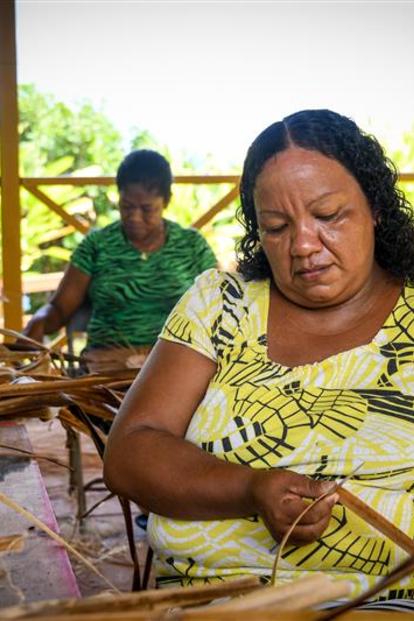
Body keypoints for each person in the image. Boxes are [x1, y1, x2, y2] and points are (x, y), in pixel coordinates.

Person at [103, 110, 414, 603]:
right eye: (276, 226)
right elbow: (130, 452)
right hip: (207, 605)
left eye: (329, 216)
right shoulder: (222, 301)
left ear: (375, 206)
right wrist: (250, 488)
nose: (303, 245)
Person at [23, 149, 217, 372]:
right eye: (126, 207)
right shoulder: (97, 245)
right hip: (104, 365)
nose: (134, 217)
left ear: (166, 201)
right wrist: (39, 320)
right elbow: (59, 308)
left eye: (146, 209)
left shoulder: (192, 246)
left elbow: (218, 308)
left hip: (173, 367)